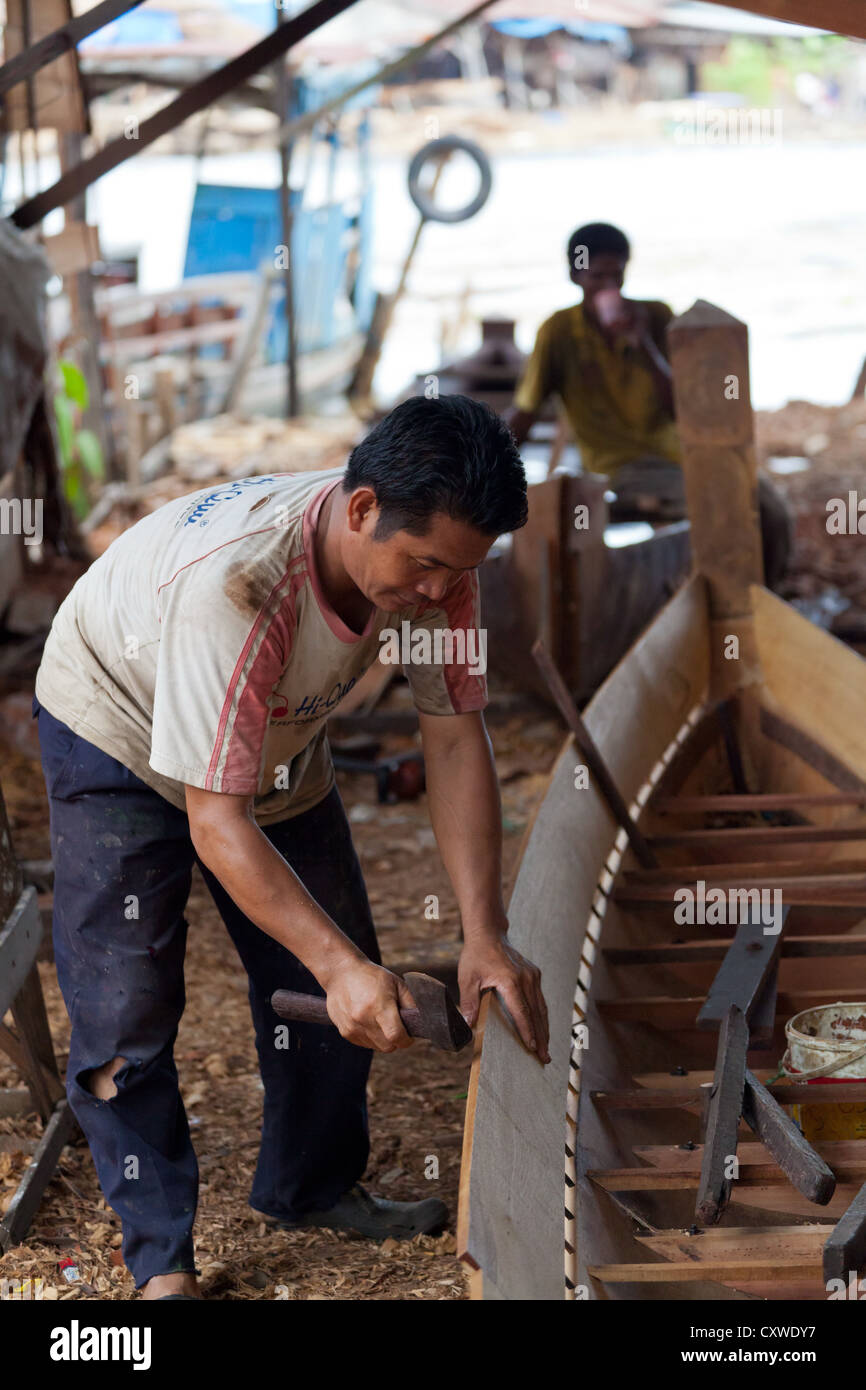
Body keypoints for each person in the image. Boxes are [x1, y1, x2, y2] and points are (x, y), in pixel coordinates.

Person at [33, 394, 549, 1302]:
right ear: (360, 511)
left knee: (342, 950)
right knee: (127, 1000)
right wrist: (337, 968)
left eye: (456, 573)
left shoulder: (440, 566)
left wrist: (483, 933)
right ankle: (161, 1262)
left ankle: (309, 1187)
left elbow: (456, 735)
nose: (436, 592)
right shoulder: (242, 588)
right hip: (114, 716)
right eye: (423, 565)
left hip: (269, 730)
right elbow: (216, 821)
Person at [507, 221, 791, 586]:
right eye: (598, 278)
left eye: (617, 276)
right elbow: (526, 413)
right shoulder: (558, 333)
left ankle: (764, 595)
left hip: (683, 453)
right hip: (621, 467)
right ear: (575, 276)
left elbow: (685, 409)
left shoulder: (655, 317)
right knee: (725, 501)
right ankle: (720, 596)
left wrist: (646, 348)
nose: (609, 287)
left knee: (770, 506)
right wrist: (490, 466)